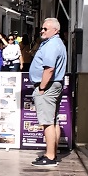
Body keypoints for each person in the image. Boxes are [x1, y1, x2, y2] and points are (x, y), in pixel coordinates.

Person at [30, 18, 67, 166]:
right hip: (53, 85)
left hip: (48, 86)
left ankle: (50, 156)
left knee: (47, 122)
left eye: (45, 29)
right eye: (42, 28)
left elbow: (49, 68)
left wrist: (42, 88)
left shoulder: (52, 45)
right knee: (53, 121)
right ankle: (52, 153)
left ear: (55, 30)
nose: (42, 31)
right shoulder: (54, 43)